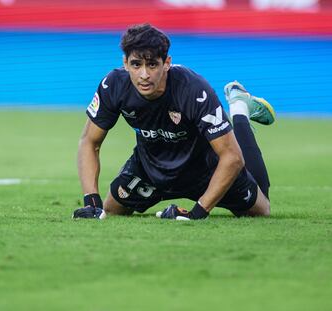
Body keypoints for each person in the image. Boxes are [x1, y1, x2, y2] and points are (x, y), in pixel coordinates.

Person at [73, 23, 275, 220]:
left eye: (152, 64)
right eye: (136, 64)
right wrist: (91, 203)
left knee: (260, 210)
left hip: (204, 169)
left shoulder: (194, 90)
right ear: (125, 63)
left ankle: (240, 109)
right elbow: (90, 142)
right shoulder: (113, 86)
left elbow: (232, 156)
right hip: (150, 169)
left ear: (167, 63)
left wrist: (197, 212)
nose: (144, 75)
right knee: (112, 210)